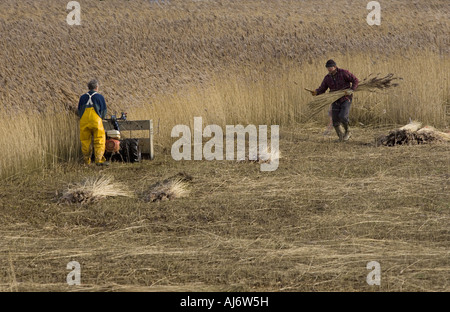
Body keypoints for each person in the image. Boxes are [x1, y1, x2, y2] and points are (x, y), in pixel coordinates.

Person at [310, 59, 359, 142]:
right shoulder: (327, 78)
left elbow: (355, 80)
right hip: (335, 99)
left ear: (335, 67)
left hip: (345, 98)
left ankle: (348, 132)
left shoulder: (344, 73)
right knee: (335, 120)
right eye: (327, 68)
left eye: (330, 67)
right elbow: (323, 88)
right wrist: (316, 92)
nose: (329, 69)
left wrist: (351, 89)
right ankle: (341, 137)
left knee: (343, 116)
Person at [77, 79, 109, 165]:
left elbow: (79, 111)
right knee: (99, 140)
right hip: (96, 121)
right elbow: (103, 111)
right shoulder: (100, 97)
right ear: (97, 87)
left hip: (84, 121)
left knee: (85, 141)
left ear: (89, 87)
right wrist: (100, 118)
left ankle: (86, 161)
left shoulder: (82, 97)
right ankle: (98, 160)